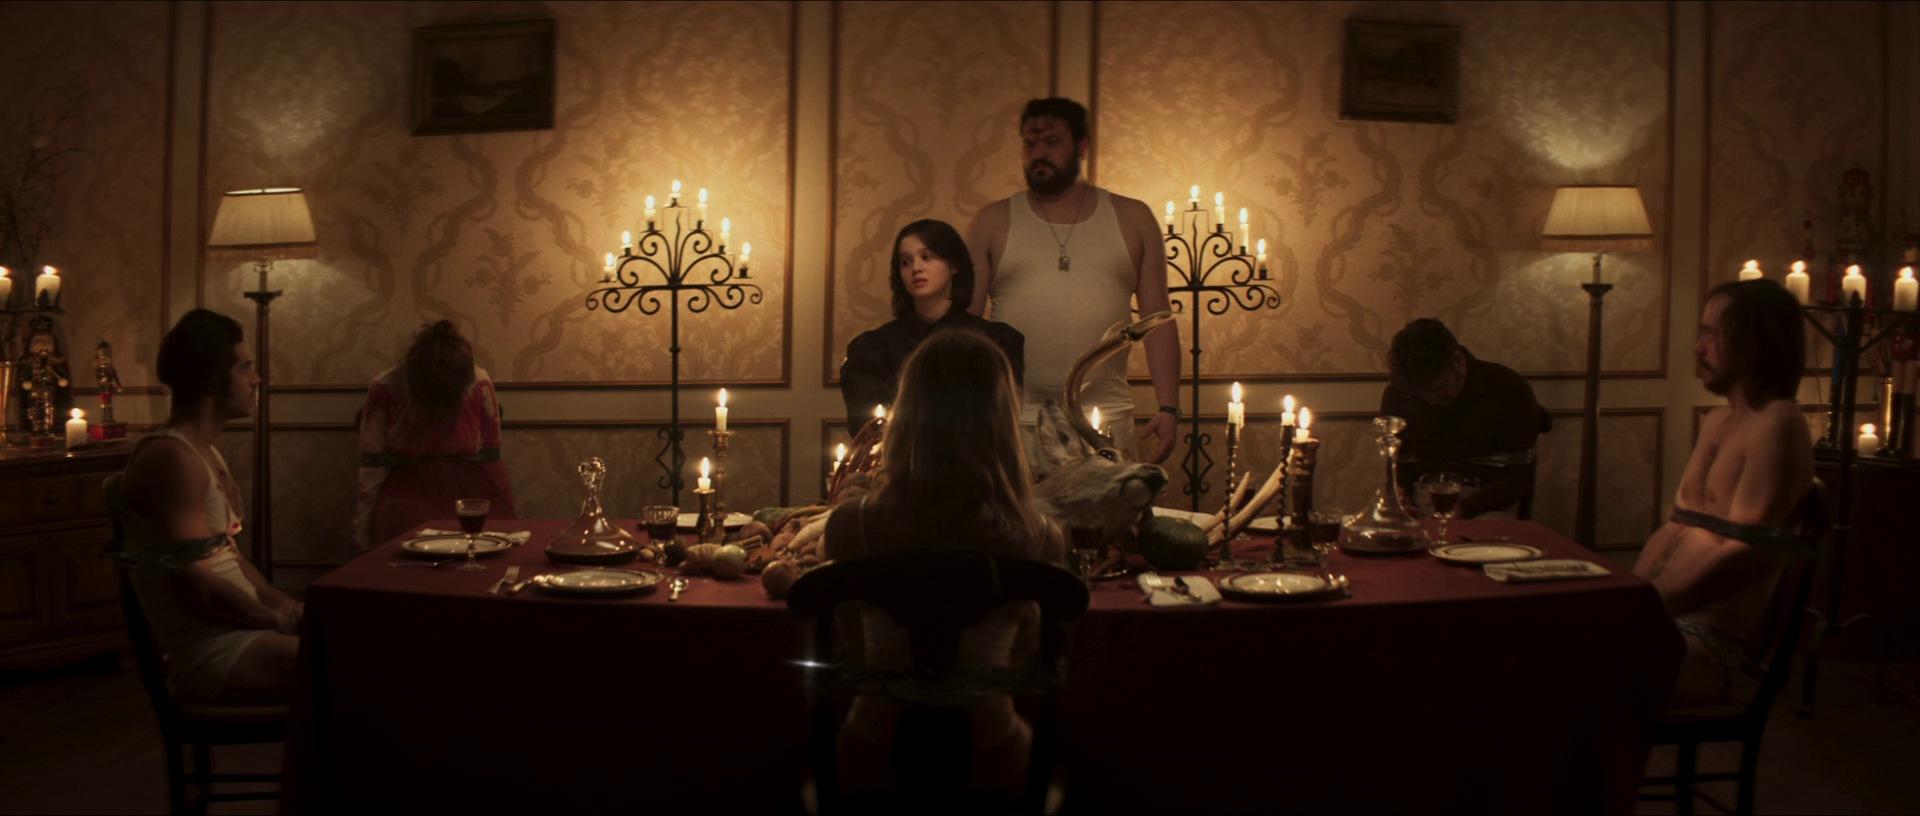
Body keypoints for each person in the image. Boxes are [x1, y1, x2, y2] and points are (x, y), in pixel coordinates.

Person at [824, 329, 1069, 795]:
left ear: (908, 414)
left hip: (871, 759)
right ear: (1002, 421)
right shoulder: (1040, 537)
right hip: (994, 760)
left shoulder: (851, 525)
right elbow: (1023, 662)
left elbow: (854, 653)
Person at [965, 97, 1180, 463]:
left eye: (1052, 142)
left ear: (1081, 146)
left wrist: (1169, 407)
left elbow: (1157, 319)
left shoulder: (1133, 218)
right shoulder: (992, 221)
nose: (1038, 153)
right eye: (1030, 144)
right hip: (1012, 422)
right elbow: (963, 327)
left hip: (1105, 421)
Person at [1635, 279, 1812, 706]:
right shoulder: (1717, 421)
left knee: (1567, 666)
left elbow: (1744, 552)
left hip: (1707, 642)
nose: (1699, 347)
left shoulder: (1779, 424)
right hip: (1658, 619)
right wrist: (1630, 598)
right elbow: (1678, 528)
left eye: (1713, 334)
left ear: (1756, 343)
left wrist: (1648, 608)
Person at [111, 309, 300, 704]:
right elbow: (195, 585)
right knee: (357, 665)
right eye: (245, 368)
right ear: (213, 381)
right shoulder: (171, 458)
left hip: (241, 631)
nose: (256, 380)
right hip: (214, 649)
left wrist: (285, 606)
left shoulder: (204, 452)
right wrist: (274, 620)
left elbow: (229, 557)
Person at [840, 219, 1024, 435]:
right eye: (906, 262)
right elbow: (868, 431)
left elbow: (999, 423)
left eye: (927, 257)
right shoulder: (872, 349)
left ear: (954, 265)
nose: (916, 268)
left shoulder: (996, 342)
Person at [354, 320, 516, 550]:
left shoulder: (478, 381)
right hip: (408, 484)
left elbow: (491, 459)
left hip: (471, 483)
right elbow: (373, 466)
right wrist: (362, 532)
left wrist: (508, 510)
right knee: (407, 530)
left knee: (493, 537)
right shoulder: (386, 386)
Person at [1380, 318, 1547, 518]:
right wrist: (1401, 495)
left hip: (1486, 503)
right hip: (1419, 498)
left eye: (1438, 387)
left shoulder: (1507, 388)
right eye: (1418, 395)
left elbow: (1516, 477)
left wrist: (1465, 509)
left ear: (1458, 361)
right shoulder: (1399, 393)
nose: (1430, 399)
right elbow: (1399, 464)